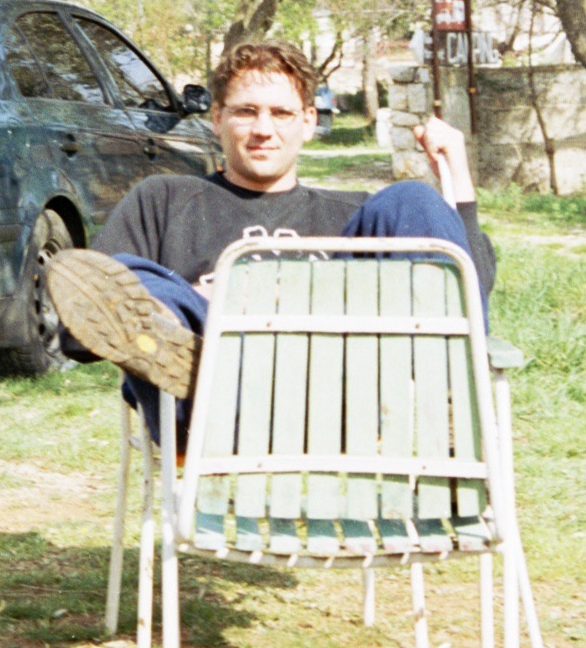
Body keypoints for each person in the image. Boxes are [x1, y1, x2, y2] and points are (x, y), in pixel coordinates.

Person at [48, 40, 495, 443]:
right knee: (131, 275)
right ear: (217, 118)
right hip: (213, 402)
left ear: (308, 122)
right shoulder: (165, 200)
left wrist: (459, 179)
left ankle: (450, 387)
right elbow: (79, 333)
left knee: (413, 199)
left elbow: (475, 286)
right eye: (246, 111)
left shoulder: (353, 215)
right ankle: (174, 328)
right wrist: (203, 302)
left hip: (336, 399)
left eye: (281, 114)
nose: (264, 129)